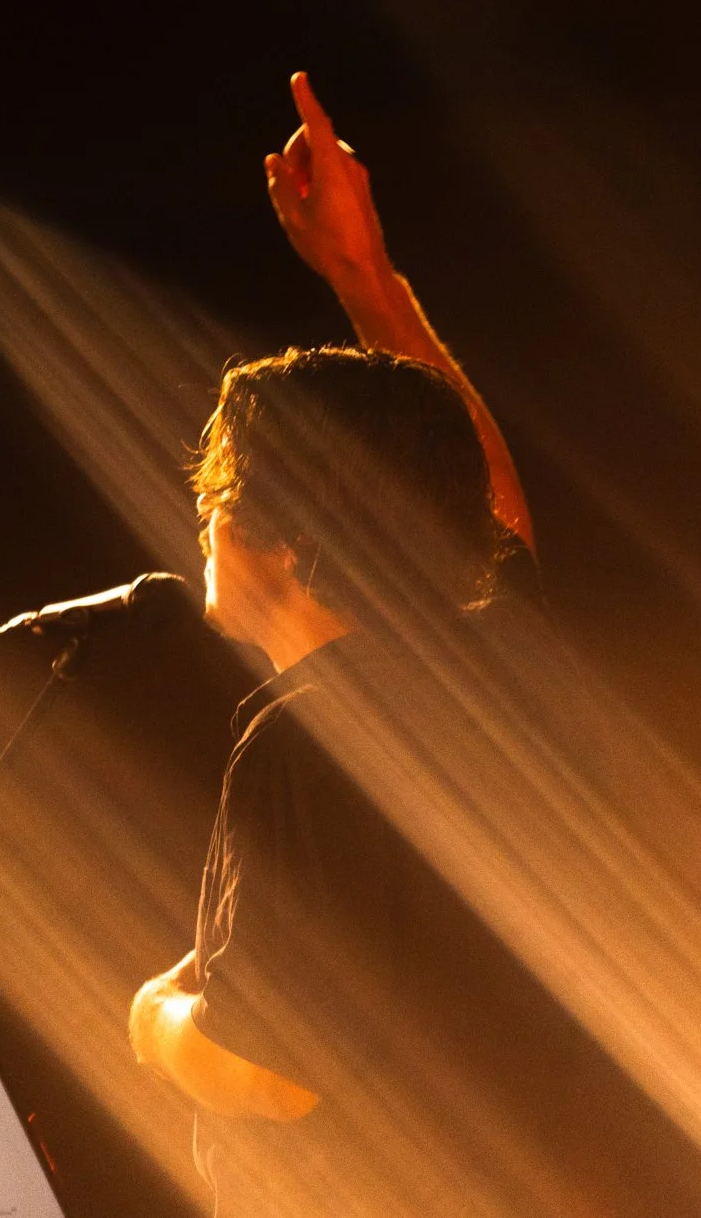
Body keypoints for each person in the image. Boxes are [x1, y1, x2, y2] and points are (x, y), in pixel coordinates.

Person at [126, 74, 600, 1215]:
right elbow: (488, 509)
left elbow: (275, 1079)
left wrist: (157, 1018)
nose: (201, 519)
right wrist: (364, 279)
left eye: (221, 496)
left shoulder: (302, 742)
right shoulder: (496, 678)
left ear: (284, 536)